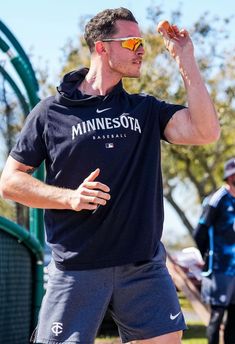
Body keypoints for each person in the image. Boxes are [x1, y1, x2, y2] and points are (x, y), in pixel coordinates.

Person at [0, 7, 220, 344]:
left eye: (142, 42)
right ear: (102, 47)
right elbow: (10, 183)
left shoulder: (145, 109)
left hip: (143, 265)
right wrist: (69, 197)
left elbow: (205, 132)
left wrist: (186, 60)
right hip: (76, 266)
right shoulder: (51, 112)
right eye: (132, 42)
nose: (141, 50)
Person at [194, 158, 235, 344]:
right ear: (229, 176)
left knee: (233, 320)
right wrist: (207, 256)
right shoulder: (217, 199)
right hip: (219, 269)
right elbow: (200, 233)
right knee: (216, 316)